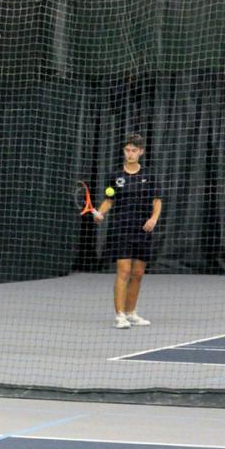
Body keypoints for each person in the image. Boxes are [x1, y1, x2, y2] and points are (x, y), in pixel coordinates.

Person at [93, 133, 162, 329]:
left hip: (143, 229)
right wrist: (100, 213)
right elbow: (109, 200)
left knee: (138, 272)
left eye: (134, 150)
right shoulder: (116, 176)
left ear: (140, 152)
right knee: (123, 271)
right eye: (127, 150)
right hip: (121, 228)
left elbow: (157, 201)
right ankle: (120, 315)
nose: (130, 154)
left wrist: (153, 219)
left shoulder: (149, 176)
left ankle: (132, 312)